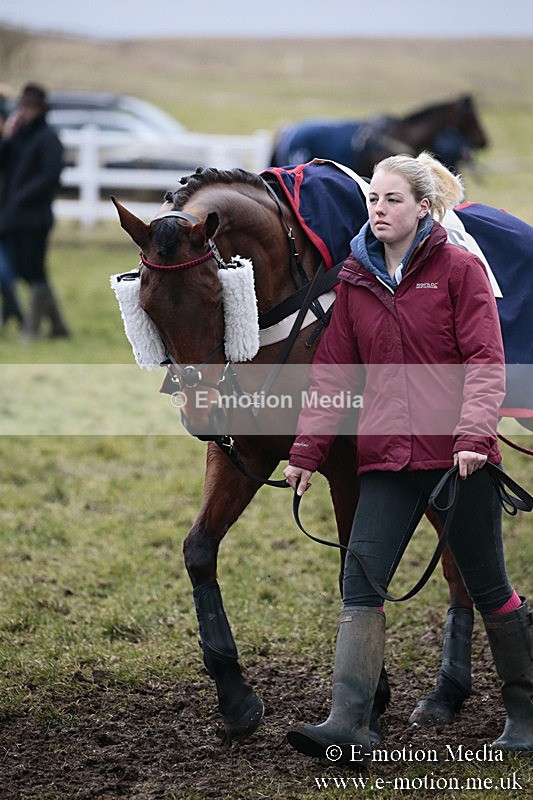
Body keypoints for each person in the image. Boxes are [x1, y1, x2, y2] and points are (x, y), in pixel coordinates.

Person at [283, 151, 532, 764]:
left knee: (488, 584)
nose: (379, 210)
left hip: (459, 462)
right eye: (373, 199)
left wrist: (475, 435)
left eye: (393, 200)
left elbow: (484, 358)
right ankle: (350, 723)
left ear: (423, 207)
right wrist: (307, 452)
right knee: (360, 583)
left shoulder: (459, 268)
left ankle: (526, 714)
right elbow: (333, 373)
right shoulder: (354, 279)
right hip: (388, 460)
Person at [0, 82, 69, 337]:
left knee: (34, 271)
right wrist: (7, 138)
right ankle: (59, 327)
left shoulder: (48, 138)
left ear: (39, 109)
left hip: (35, 217)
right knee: (27, 272)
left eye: (28, 108)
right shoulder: (20, 137)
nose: (24, 112)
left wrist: (21, 196)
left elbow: (50, 176)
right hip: (14, 217)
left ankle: (31, 329)